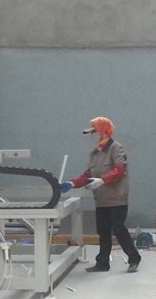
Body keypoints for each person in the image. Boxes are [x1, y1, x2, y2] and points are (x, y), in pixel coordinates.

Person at [60, 117, 141, 273]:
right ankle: (103, 263)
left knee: (118, 229)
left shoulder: (116, 148)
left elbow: (119, 170)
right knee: (103, 231)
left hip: (117, 198)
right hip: (102, 199)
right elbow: (87, 174)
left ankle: (134, 258)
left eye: (95, 132)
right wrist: (71, 183)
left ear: (104, 130)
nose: (94, 135)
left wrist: (103, 180)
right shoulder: (95, 154)